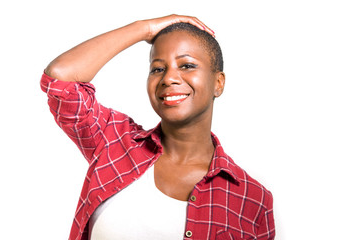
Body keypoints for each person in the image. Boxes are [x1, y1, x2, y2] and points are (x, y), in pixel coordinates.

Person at [41, 14, 275, 240]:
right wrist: (145, 29)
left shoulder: (253, 199)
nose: (168, 78)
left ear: (218, 83)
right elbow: (61, 78)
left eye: (187, 65)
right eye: (158, 69)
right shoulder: (114, 141)